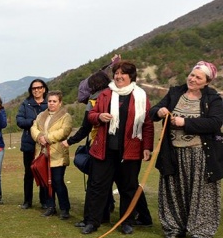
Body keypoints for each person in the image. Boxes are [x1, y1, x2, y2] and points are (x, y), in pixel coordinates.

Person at [65, 69, 153, 227]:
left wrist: (147, 146)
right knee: (97, 185)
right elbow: (91, 116)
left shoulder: (140, 96)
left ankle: (127, 223)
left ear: (131, 77)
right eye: (116, 74)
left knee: (128, 186)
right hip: (104, 149)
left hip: (130, 150)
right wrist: (98, 116)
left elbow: (147, 124)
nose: (118, 76)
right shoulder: (105, 94)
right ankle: (92, 221)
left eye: (122, 74)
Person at [150, 61, 223, 238]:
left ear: (206, 81)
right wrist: (159, 111)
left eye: (198, 77)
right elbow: (152, 111)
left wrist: (186, 123)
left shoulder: (213, 99)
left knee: (201, 193)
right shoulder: (175, 93)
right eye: (192, 74)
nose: (192, 79)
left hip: (200, 154)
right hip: (174, 152)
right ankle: (174, 227)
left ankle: (201, 231)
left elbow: (214, 123)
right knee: (173, 191)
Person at [31, 91, 73, 219]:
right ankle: (50, 206)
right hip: (43, 153)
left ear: (60, 102)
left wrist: (47, 138)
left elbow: (65, 131)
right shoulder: (41, 116)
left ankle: (65, 208)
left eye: (54, 101)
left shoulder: (65, 117)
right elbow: (34, 128)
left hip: (57, 154)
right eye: (50, 101)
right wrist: (39, 137)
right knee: (46, 182)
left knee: (57, 181)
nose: (51, 103)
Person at [16, 79, 49, 210]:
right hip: (29, 143)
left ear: (44, 89)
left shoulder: (49, 103)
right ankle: (27, 201)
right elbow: (19, 121)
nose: (36, 90)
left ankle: (44, 201)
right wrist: (34, 121)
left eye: (39, 87)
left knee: (43, 171)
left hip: (46, 143)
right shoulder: (26, 104)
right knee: (29, 172)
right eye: (34, 88)